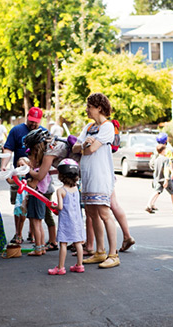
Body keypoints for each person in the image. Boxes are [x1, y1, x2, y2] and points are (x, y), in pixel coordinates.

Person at [72, 92, 119, 269]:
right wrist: (84, 145)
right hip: (88, 176)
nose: (87, 110)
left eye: (89, 107)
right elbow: (76, 146)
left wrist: (85, 147)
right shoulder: (89, 127)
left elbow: (91, 150)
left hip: (101, 176)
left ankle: (113, 254)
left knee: (104, 213)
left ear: (99, 108)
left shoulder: (107, 127)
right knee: (91, 214)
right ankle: (100, 252)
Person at [1, 107, 58, 248]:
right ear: (27, 117)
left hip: (37, 181)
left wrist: (33, 172)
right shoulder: (16, 130)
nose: (33, 124)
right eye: (31, 121)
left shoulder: (44, 133)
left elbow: (50, 156)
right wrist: (4, 166)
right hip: (20, 176)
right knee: (19, 206)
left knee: (37, 213)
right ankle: (19, 234)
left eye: (36, 122)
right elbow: (8, 148)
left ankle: (36, 237)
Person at [48, 159, 86, 275]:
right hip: (77, 221)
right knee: (78, 242)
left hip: (65, 221)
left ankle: (60, 267)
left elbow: (60, 207)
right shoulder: (76, 189)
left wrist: (52, 205)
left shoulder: (61, 190)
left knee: (63, 243)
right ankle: (79, 265)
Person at [24, 129, 53, 256]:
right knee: (39, 223)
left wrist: (28, 171)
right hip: (41, 197)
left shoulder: (37, 170)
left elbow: (32, 184)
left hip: (36, 196)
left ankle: (38, 248)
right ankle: (41, 247)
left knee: (35, 223)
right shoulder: (43, 168)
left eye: (30, 157)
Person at [149, 133, 173, 212]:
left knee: (158, 190)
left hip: (157, 173)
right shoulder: (166, 150)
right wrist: (172, 172)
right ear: (165, 140)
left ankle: (151, 204)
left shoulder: (156, 149)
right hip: (166, 174)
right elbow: (169, 162)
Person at [146, 144, 173, 213]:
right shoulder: (165, 159)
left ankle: (148, 205)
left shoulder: (156, 160)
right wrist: (166, 180)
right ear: (163, 151)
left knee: (157, 192)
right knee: (172, 192)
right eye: (165, 150)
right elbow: (166, 170)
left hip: (158, 178)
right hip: (165, 179)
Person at [6, 157, 30, 244]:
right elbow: (10, 181)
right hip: (19, 197)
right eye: (18, 166)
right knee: (18, 214)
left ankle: (26, 234)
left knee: (25, 216)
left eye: (22, 165)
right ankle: (18, 234)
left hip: (27, 196)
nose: (20, 167)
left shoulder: (30, 174)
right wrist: (7, 173)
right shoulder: (18, 176)